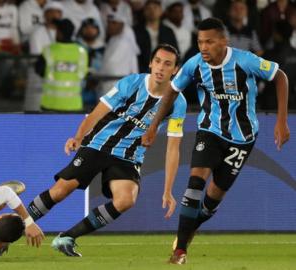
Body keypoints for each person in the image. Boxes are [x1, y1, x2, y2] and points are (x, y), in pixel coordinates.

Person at [141, 18, 290, 265]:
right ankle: (180, 252)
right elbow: (172, 91)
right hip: (209, 131)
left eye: (209, 41)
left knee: (211, 201)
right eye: (200, 42)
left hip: (242, 139)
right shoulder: (195, 65)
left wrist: (281, 120)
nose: (203, 47)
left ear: (224, 41)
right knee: (194, 185)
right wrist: (155, 125)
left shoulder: (245, 60)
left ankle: (190, 227)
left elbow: (280, 76)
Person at [27, 44, 187, 257]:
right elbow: (96, 113)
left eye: (167, 64)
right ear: (150, 63)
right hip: (98, 145)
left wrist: (168, 190)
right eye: (157, 61)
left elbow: (173, 149)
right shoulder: (131, 83)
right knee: (59, 191)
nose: (160, 67)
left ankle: (67, 237)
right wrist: (78, 137)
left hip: (129, 157)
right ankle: (12, 227)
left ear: (175, 70)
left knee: (126, 199)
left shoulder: (178, 103)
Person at [35, 18, 88, 112]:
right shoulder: (82, 52)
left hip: (50, 105)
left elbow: (38, 70)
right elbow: (83, 74)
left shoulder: (48, 50)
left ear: (59, 33)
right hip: (74, 105)